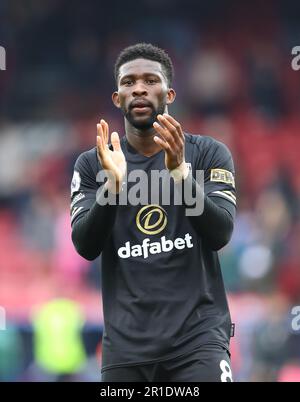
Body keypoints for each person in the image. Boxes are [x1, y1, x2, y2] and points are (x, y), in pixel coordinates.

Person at [70, 43, 237, 382]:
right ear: (117, 98)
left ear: (170, 93)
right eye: (129, 82)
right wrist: (112, 189)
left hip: (198, 342)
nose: (140, 88)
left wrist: (180, 174)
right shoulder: (93, 164)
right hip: (126, 350)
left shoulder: (207, 154)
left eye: (150, 80)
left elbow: (220, 234)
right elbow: (85, 247)